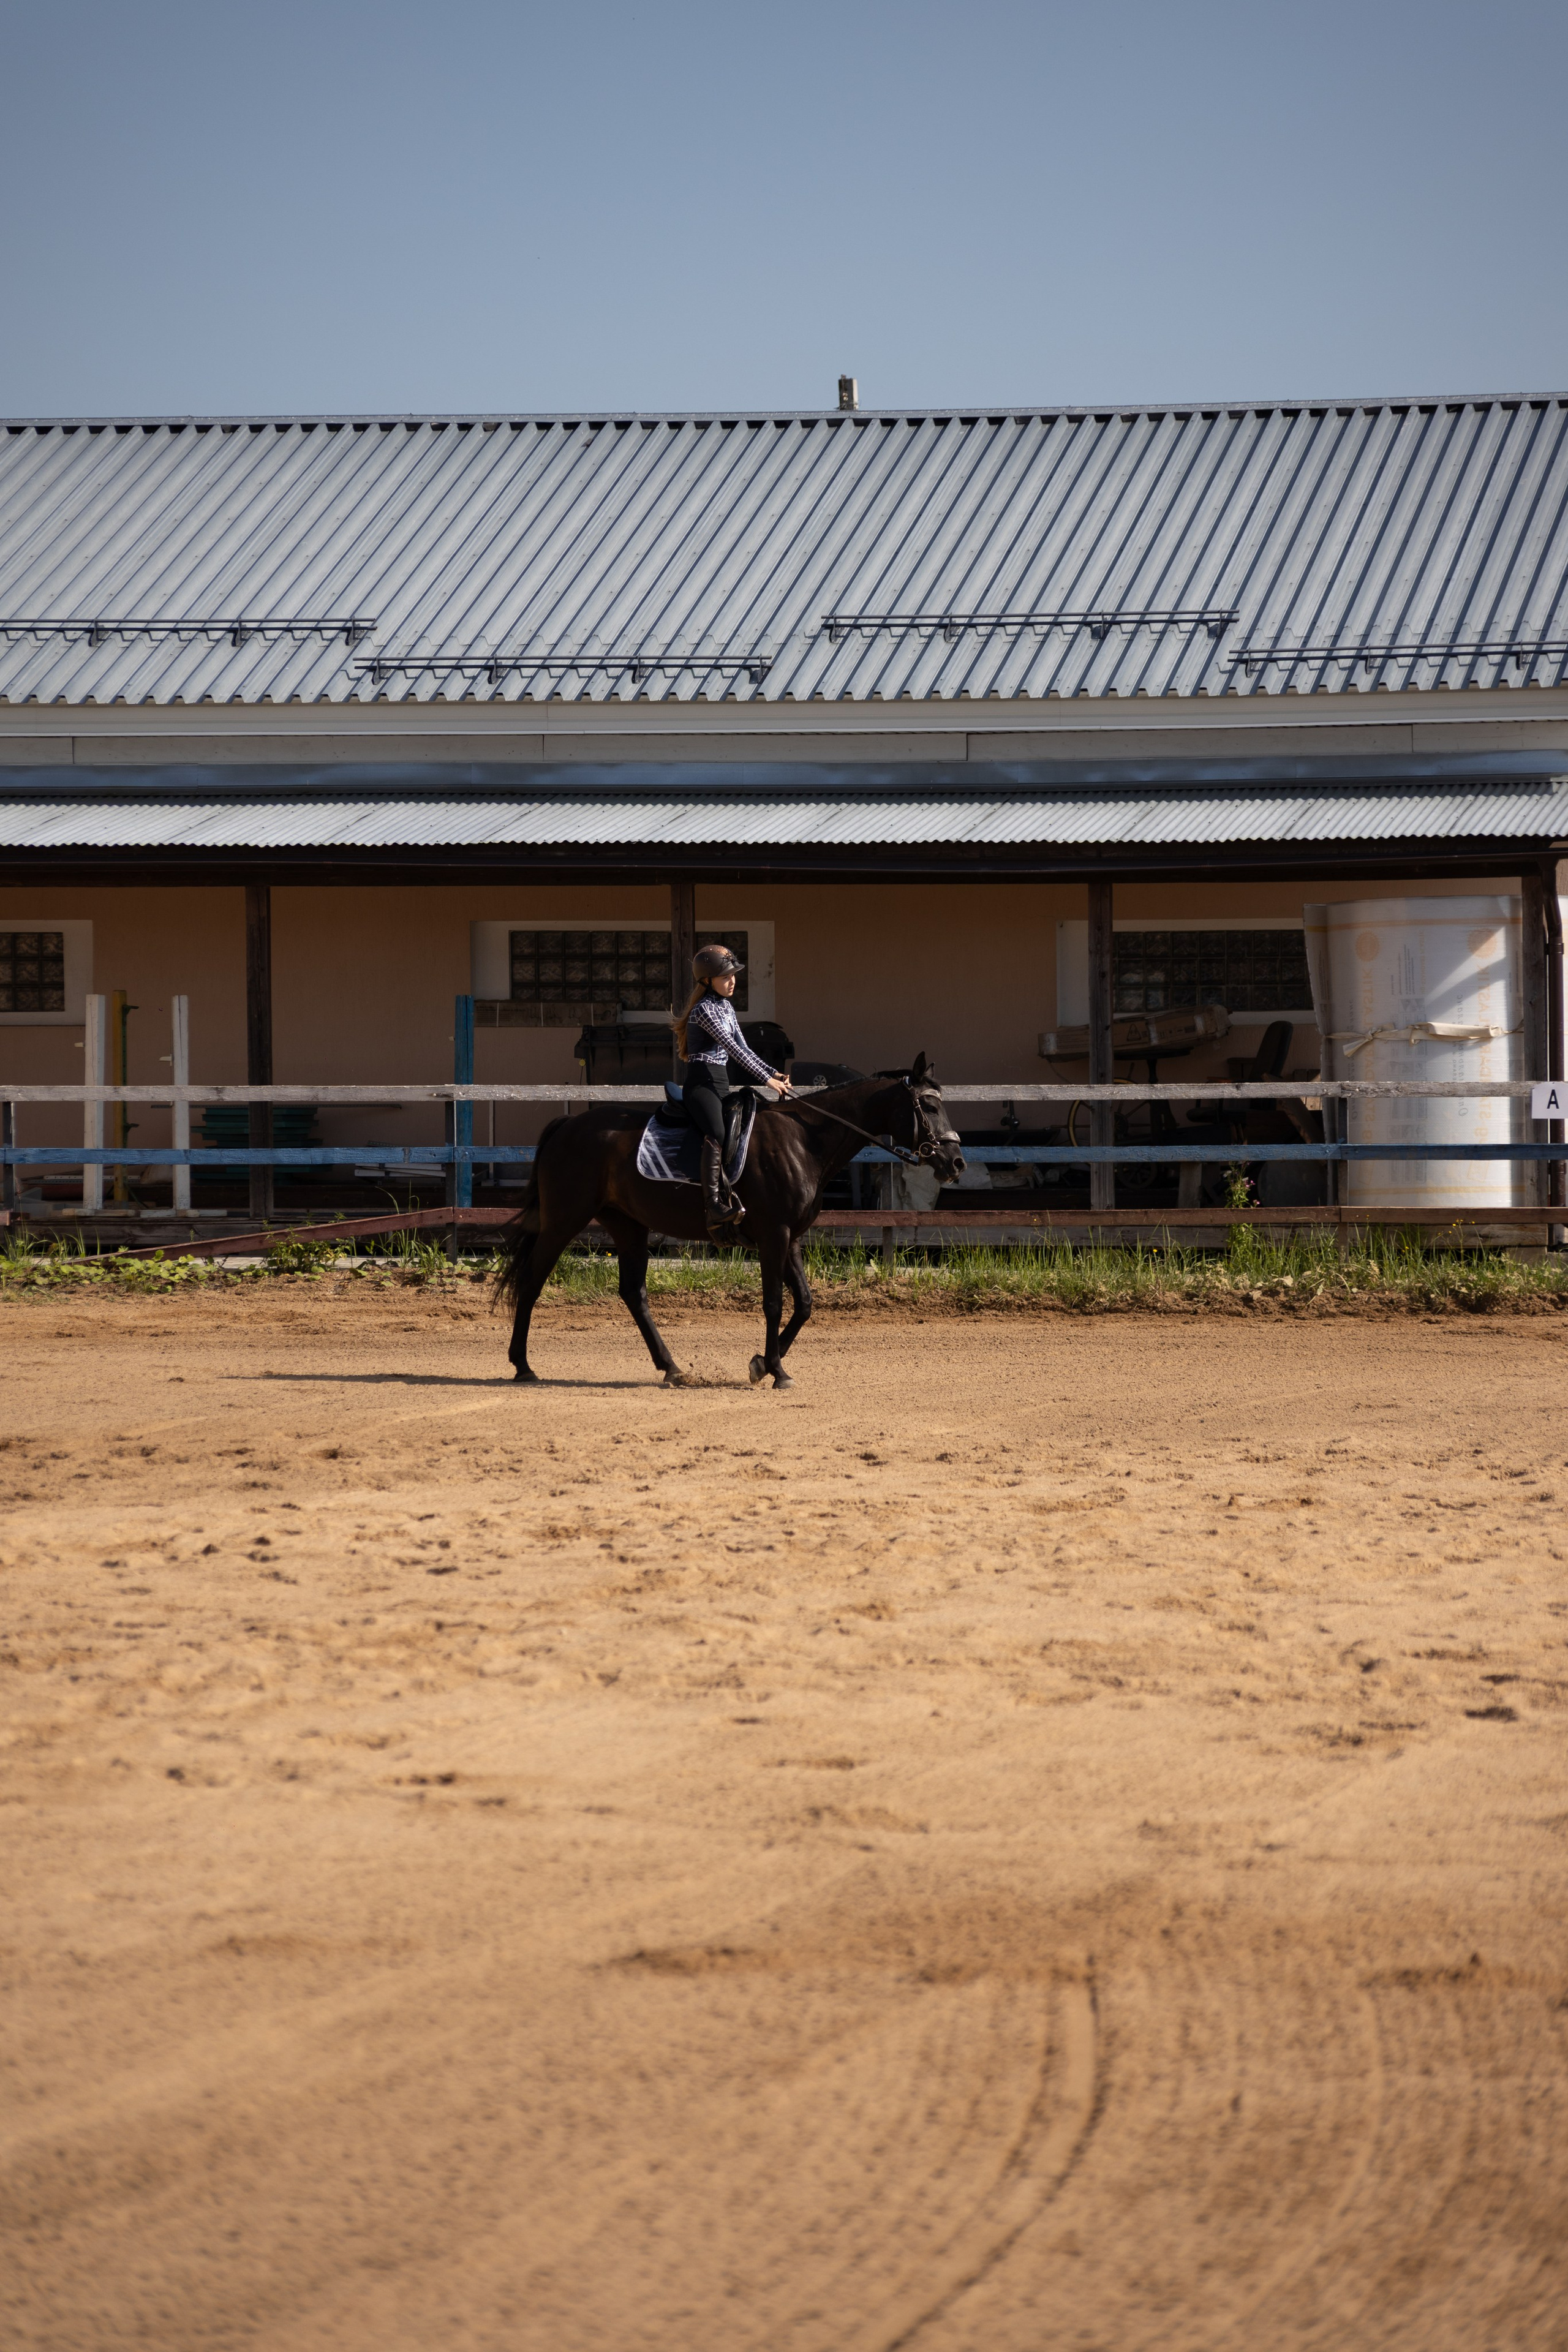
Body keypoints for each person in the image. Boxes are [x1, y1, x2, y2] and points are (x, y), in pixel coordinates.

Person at [671, 944, 792, 1234]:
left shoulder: (725, 1006)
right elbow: (732, 1050)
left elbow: (744, 1047)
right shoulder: (704, 1011)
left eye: (734, 975)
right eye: (726, 976)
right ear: (707, 980)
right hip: (702, 1084)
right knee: (718, 1131)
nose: (733, 980)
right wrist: (767, 1081)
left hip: (721, 1083)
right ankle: (713, 1204)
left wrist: (771, 1071)